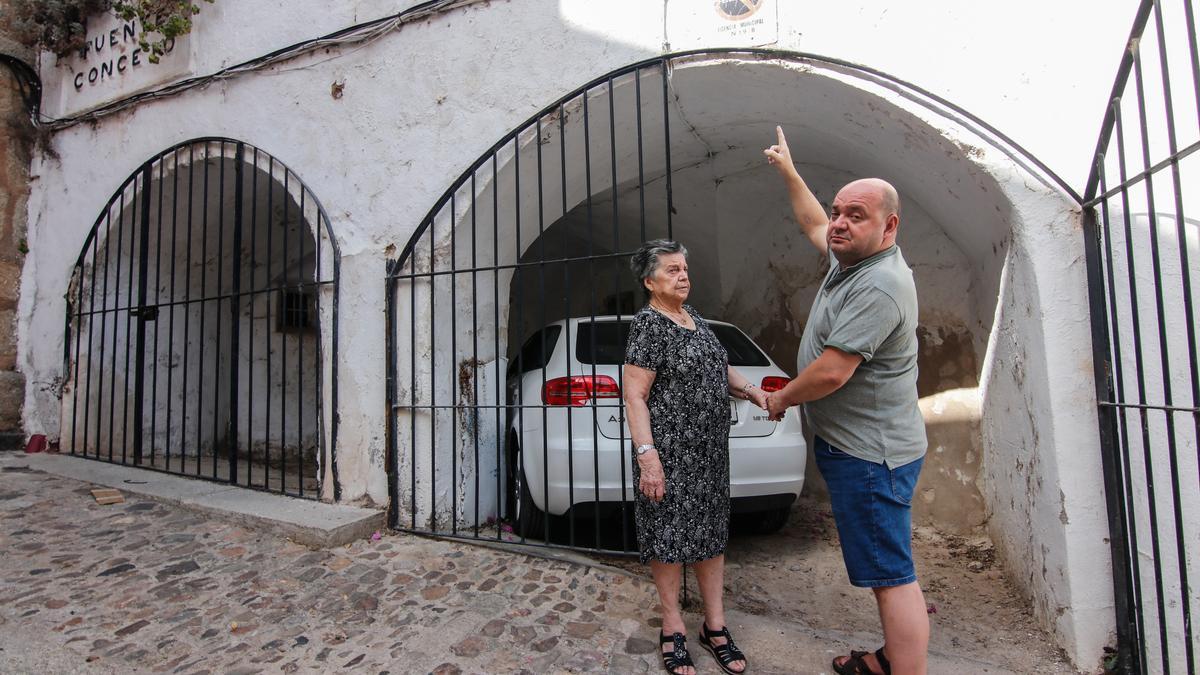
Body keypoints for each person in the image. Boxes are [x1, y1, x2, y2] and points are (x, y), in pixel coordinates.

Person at [762, 126, 930, 675]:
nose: (838, 222)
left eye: (855, 214)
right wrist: (790, 171)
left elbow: (833, 373)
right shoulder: (851, 259)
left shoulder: (879, 285)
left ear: (889, 225)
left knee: (891, 576)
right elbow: (812, 221)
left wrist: (782, 398)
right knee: (887, 568)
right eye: (840, 211)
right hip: (861, 448)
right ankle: (889, 660)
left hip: (871, 457)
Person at [623, 239, 767, 675]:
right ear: (650, 282)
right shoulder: (648, 325)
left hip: (708, 454)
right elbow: (635, 396)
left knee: (710, 536)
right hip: (668, 454)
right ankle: (672, 627)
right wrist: (648, 458)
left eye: (684, 268)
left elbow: (719, 367)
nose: (683, 276)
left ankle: (715, 625)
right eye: (672, 270)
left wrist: (753, 391)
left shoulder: (693, 317)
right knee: (667, 540)